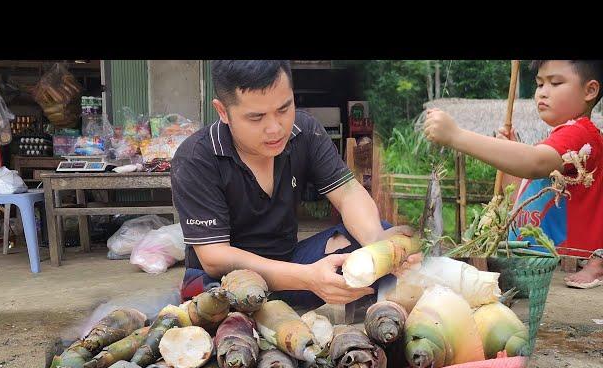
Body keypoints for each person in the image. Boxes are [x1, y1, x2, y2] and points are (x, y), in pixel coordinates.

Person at [171, 60, 420, 310]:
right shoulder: (197, 157)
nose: (275, 128)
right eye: (256, 118)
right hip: (224, 280)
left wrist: (377, 241)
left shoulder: (305, 131)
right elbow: (215, 257)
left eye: (284, 109)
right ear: (223, 111)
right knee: (215, 306)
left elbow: (348, 193)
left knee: (382, 238)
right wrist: (308, 279)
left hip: (291, 262)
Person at [424, 60, 603, 289]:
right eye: (539, 84)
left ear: (590, 90)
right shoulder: (554, 144)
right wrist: (510, 154)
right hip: (532, 263)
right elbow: (520, 196)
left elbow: (533, 162)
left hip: (558, 268)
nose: (542, 93)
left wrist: (456, 136)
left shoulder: (580, 134)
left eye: (555, 83)